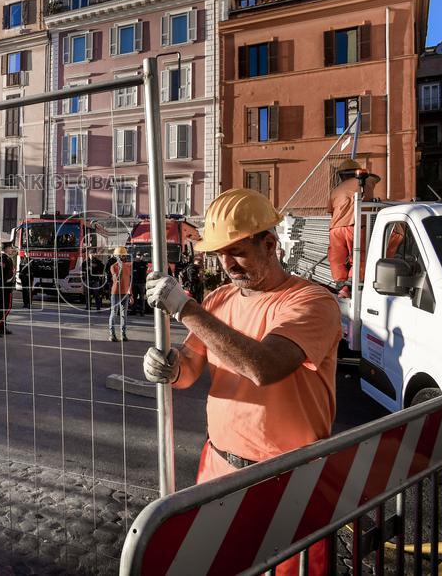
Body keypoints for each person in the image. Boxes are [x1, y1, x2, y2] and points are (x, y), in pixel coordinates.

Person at [143, 188, 341, 575]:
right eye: (220, 254)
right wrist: (170, 366)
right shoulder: (218, 300)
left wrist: (184, 308)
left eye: (237, 251)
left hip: (288, 479)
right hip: (219, 468)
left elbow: (265, 367)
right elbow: (190, 367)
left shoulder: (312, 302)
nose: (228, 264)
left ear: (270, 244)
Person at [327, 159, 379, 298]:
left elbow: (331, 211)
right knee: (359, 255)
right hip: (356, 226)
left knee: (336, 257)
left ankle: (341, 285)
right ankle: (351, 284)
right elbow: (376, 179)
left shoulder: (335, 190)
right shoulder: (367, 182)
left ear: (341, 175)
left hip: (336, 228)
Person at [0, 242, 16, 338]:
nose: (11, 249)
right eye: (10, 248)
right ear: (6, 248)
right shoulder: (4, 258)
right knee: (7, 307)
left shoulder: (2, 258)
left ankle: (2, 327)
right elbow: (1, 275)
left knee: (3, 308)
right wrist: (6, 283)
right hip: (5, 286)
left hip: (3, 286)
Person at [107, 246, 132, 342]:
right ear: (117, 256)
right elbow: (117, 279)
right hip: (116, 293)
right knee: (114, 313)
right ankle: (112, 334)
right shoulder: (113, 267)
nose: (124, 257)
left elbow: (129, 281)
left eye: (124, 255)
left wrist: (131, 294)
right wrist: (120, 267)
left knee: (124, 315)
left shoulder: (128, 266)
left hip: (125, 293)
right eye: (122, 255)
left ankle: (123, 334)